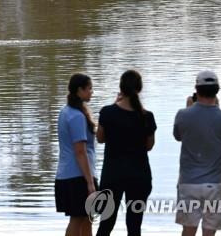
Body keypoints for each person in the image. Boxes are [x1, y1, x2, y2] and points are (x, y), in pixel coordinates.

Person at [174, 71, 221, 236]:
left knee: (188, 231)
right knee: (209, 233)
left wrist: (189, 109)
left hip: (188, 183)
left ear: (196, 89)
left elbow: (178, 136)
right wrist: (217, 107)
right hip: (216, 184)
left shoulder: (183, 115)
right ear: (217, 90)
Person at [96, 70, 156, 236]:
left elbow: (100, 138)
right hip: (139, 175)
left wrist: (114, 104)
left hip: (112, 175)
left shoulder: (107, 112)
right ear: (139, 89)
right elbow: (149, 146)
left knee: (106, 224)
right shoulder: (147, 116)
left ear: (121, 88)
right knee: (134, 226)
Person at [55, 73, 98, 236]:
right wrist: (90, 183)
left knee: (86, 218)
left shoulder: (65, 111)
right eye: (89, 89)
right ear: (80, 90)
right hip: (78, 176)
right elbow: (80, 151)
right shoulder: (77, 116)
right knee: (78, 219)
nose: (91, 92)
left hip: (69, 174)